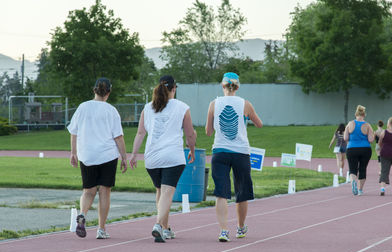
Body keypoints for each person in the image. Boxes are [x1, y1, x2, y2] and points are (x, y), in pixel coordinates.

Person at [129, 75, 197, 243]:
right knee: (167, 192)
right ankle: (158, 224)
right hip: (173, 157)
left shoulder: (148, 107)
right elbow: (190, 134)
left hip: (152, 158)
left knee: (160, 191)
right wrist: (192, 149)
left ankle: (166, 229)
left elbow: (140, 133)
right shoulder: (182, 107)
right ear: (174, 88)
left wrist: (133, 154)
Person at [205, 72, 263, 242]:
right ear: (237, 87)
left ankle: (223, 231)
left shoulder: (213, 104)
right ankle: (240, 227)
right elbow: (259, 124)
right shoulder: (245, 104)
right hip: (241, 152)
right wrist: (244, 119)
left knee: (221, 193)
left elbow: (208, 132)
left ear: (222, 85)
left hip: (220, 151)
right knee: (242, 191)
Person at [68, 77, 128, 239]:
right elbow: (118, 137)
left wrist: (73, 152)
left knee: (88, 190)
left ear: (94, 90)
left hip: (87, 154)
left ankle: (82, 214)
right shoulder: (111, 111)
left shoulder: (82, 107)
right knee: (104, 191)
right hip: (107, 154)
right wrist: (124, 157)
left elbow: (74, 131)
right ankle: (101, 229)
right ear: (108, 92)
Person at [344, 105, 375, 196]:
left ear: (355, 114)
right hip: (365, 149)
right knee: (362, 169)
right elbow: (370, 140)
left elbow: (345, 137)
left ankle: (353, 181)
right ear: (364, 115)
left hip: (352, 148)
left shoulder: (350, 124)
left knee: (352, 169)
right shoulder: (367, 125)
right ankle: (360, 189)